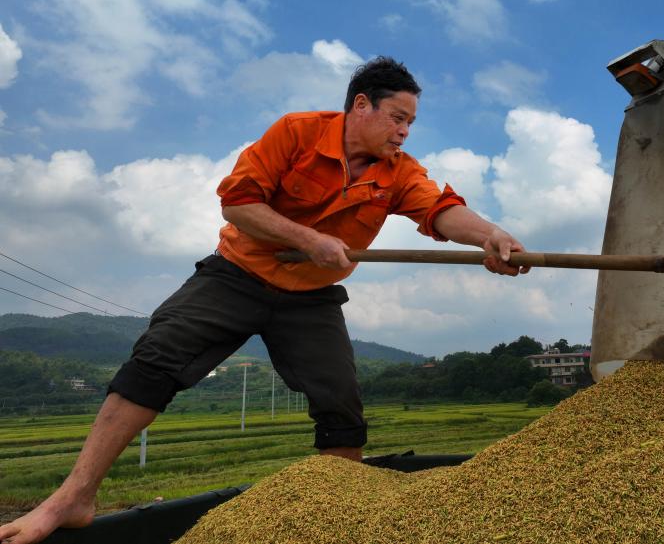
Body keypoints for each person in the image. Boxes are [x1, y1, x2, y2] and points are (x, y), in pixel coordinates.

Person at [0, 57, 529, 544]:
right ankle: (73, 498)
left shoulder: (400, 171)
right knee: (154, 360)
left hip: (310, 299)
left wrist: (490, 235)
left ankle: (342, 517)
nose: (404, 131)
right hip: (238, 273)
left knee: (340, 402)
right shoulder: (295, 133)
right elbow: (238, 204)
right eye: (397, 117)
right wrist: (308, 239)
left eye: (411, 122)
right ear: (361, 104)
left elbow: (439, 210)